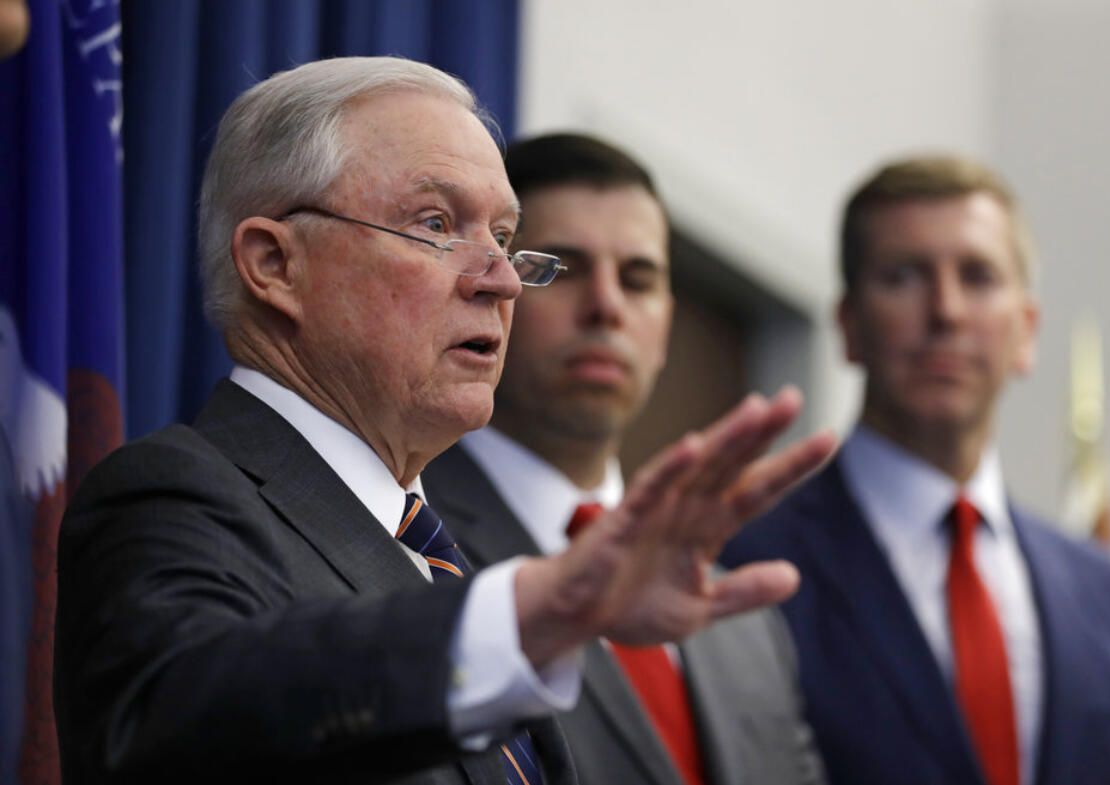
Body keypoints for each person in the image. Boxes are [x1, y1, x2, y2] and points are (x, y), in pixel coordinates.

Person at [52, 57, 837, 785]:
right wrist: (536, 616)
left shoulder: (435, 551)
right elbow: (178, 723)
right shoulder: (176, 495)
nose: (502, 279)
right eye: (434, 223)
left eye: (502, 237)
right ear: (274, 265)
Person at [722, 154, 1110, 785]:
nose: (947, 311)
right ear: (850, 325)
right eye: (905, 275)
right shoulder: (747, 568)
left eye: (978, 276)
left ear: (1026, 331)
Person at [423, 132, 826, 785]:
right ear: (494, 288)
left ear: (666, 321)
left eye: (638, 279)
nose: (606, 305)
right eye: (564, 267)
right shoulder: (410, 540)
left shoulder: (743, 624)